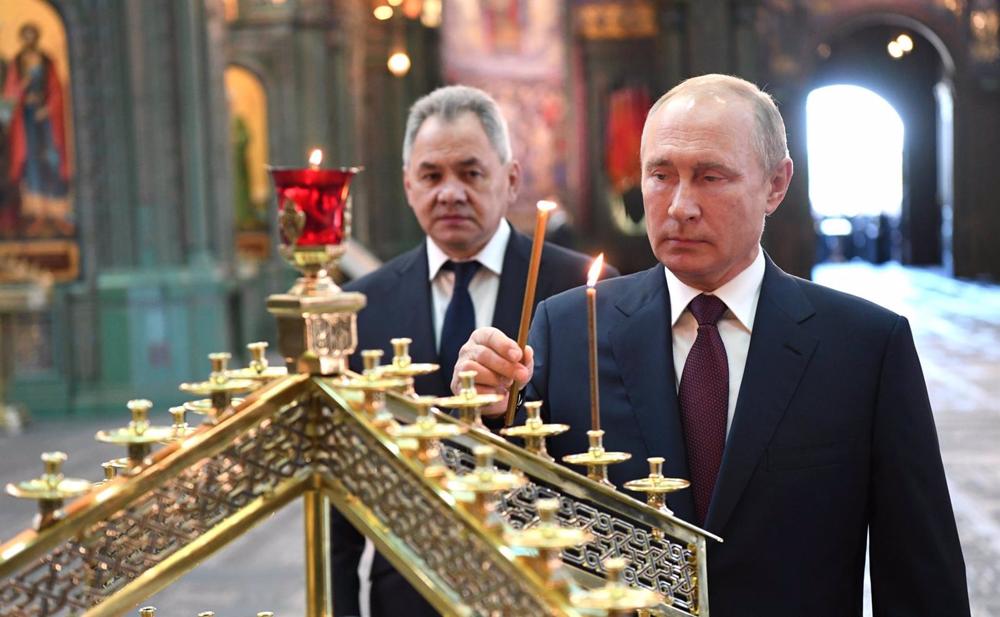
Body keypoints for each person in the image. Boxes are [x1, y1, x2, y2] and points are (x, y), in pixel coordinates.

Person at [456, 74, 970, 616]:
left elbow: (920, 577)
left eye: (710, 176)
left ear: (776, 184)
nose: (679, 206)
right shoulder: (565, 329)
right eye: (660, 175)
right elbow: (506, 526)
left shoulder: (865, 348)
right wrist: (483, 416)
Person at [332, 85, 618, 617]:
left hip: (541, 587)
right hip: (407, 593)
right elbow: (344, 495)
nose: (450, 193)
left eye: (471, 173)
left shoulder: (583, 288)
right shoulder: (362, 305)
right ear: (407, 185)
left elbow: (600, 452)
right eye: (432, 176)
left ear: (510, 180)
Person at [3, 23, 72, 238]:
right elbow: (10, 94)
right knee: (31, 160)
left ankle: (56, 211)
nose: (29, 40)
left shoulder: (46, 60)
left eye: (32, 36)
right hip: (26, 120)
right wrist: (21, 90)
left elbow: (56, 89)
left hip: (47, 118)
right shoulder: (16, 62)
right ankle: (36, 212)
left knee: (51, 158)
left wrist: (49, 108)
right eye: (26, 37)